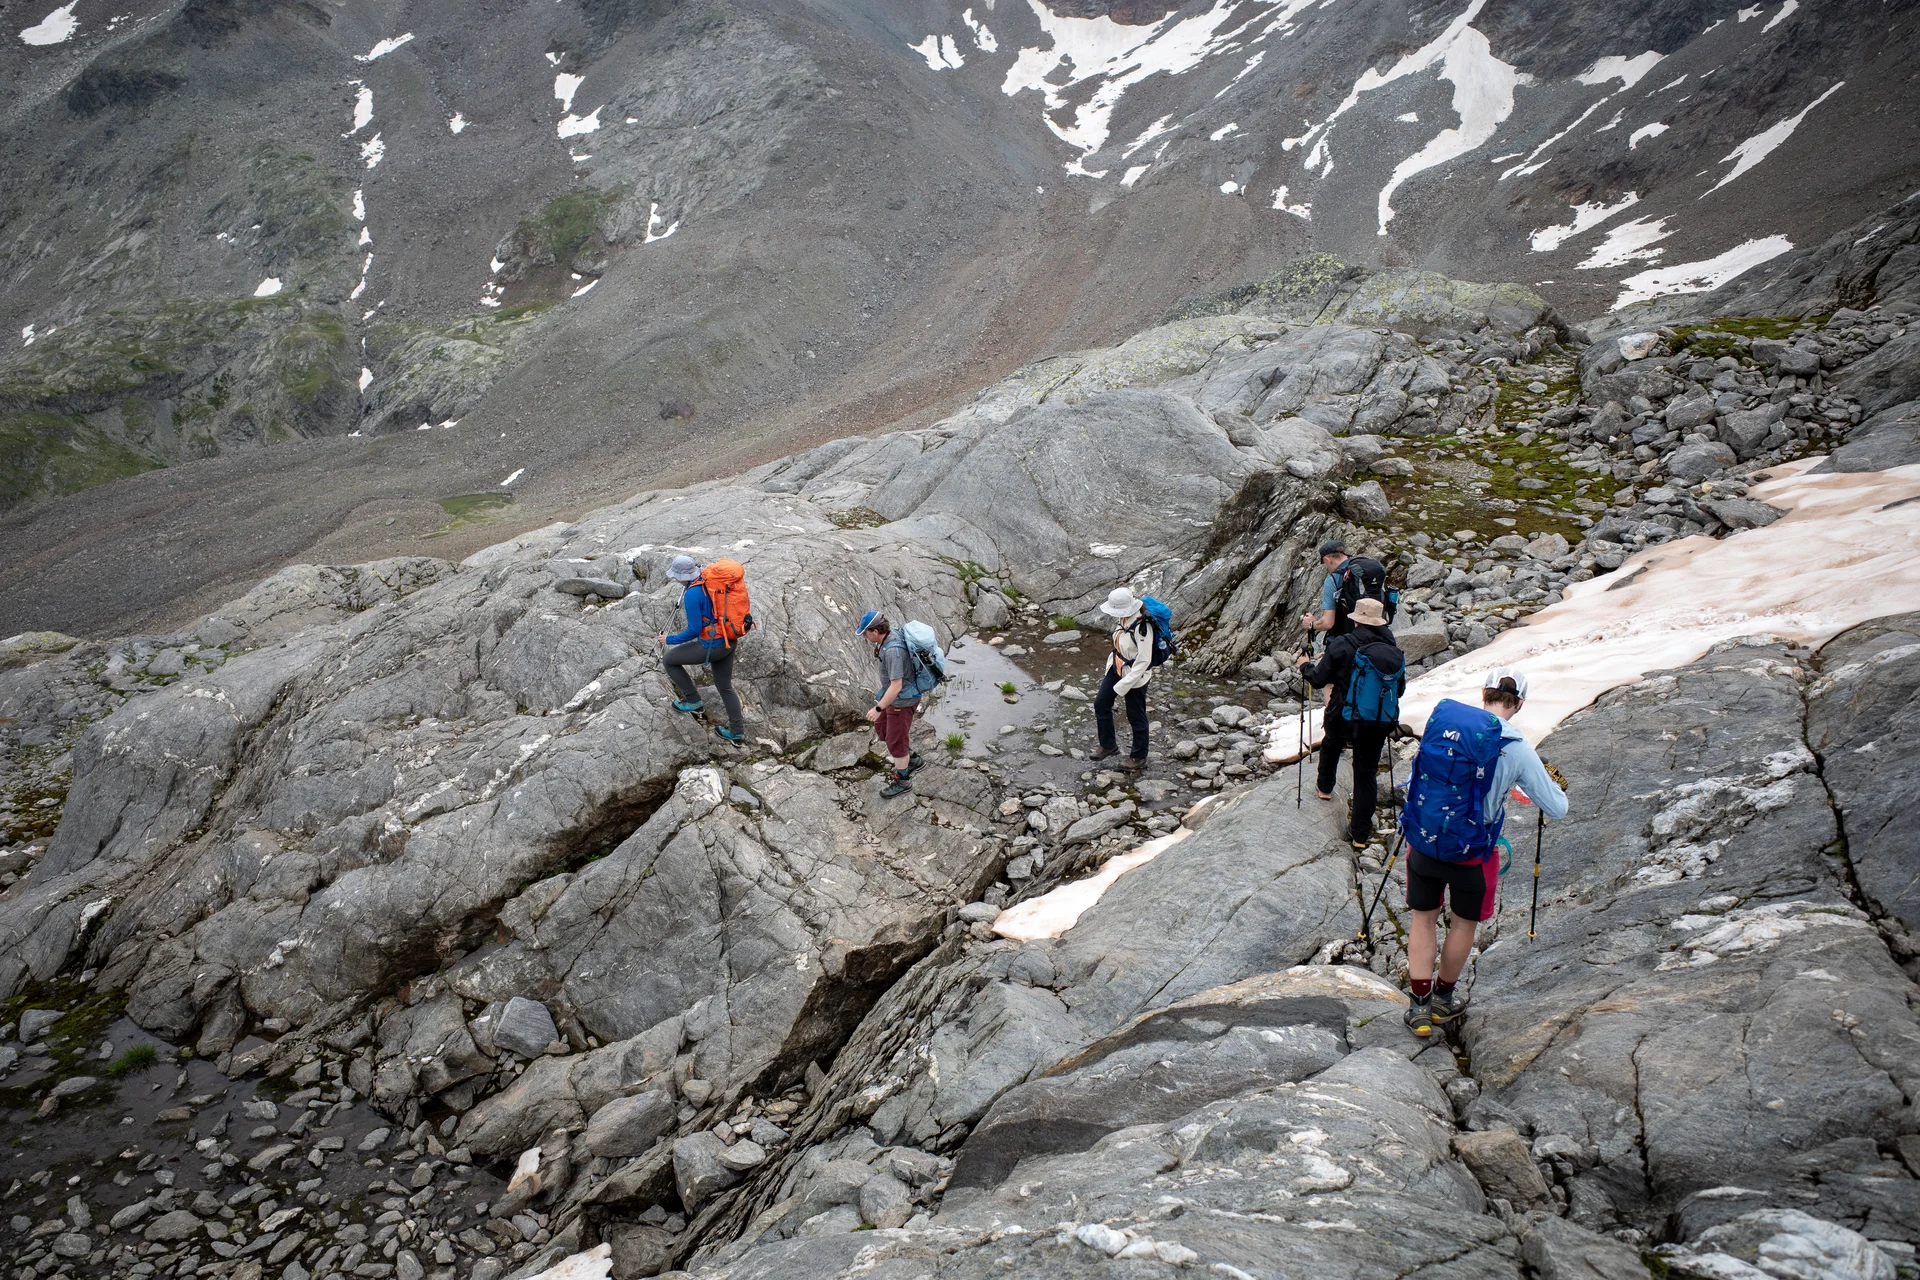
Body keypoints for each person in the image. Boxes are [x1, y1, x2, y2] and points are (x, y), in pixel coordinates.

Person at [1402, 667, 1568, 1037]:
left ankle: (1418, 1008)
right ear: (1519, 704)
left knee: (1423, 919)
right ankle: (1443, 1000)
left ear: (1484, 693)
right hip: (1473, 854)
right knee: (1463, 924)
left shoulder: (1449, 727)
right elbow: (1557, 808)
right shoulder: (1517, 747)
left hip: (1426, 843)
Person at [1294, 597, 1405, 847]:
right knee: (1366, 773)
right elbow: (1400, 689)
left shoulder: (1344, 643)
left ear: (1356, 620)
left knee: (1332, 744)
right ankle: (1360, 836)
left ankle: (1325, 788)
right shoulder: (1390, 647)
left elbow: (1319, 679)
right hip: (1377, 721)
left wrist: (1305, 666)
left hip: (1343, 716)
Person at [659, 554, 746, 742]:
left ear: (682, 576)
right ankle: (737, 733)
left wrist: (669, 639)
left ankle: (693, 701)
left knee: (669, 660)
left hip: (713, 645)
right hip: (729, 640)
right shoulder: (709, 580)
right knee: (725, 687)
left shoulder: (692, 594)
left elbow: (694, 630)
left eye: (676, 576)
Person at [859, 611, 922, 798]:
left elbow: (896, 685)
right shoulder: (890, 635)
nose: (864, 636)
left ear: (876, 631)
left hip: (901, 701)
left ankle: (903, 780)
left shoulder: (893, 651)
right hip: (894, 698)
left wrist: (878, 708)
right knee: (882, 728)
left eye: (866, 632)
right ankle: (913, 760)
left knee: (896, 742)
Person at [1091, 587, 1155, 772]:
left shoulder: (1143, 627)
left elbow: (1144, 661)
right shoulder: (1125, 617)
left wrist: (1124, 685)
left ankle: (1139, 756)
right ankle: (1108, 745)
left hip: (1136, 675)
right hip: (1118, 666)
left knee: (1136, 715)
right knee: (1101, 703)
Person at [1300, 540, 1353, 637]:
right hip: (1378, 637)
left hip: (1349, 639)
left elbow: (1327, 623)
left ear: (1328, 560)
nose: (1326, 566)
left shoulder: (1333, 579)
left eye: (1324, 562)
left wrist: (1311, 624)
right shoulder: (1365, 569)